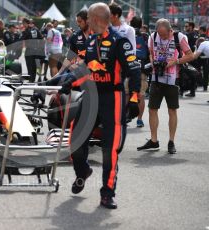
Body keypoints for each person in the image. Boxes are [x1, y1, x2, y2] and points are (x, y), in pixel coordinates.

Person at [60, 2, 141, 209]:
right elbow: (86, 68)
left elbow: (133, 71)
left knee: (110, 149)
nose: (86, 22)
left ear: (96, 20)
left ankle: (107, 193)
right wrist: (70, 81)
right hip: (90, 96)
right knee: (75, 140)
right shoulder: (91, 41)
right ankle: (83, 171)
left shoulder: (119, 41)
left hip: (112, 98)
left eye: (88, 19)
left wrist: (133, 98)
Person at [137, 18, 194, 154]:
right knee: (152, 109)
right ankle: (154, 140)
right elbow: (151, 53)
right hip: (157, 78)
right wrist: (154, 61)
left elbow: (190, 55)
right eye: (160, 34)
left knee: (172, 110)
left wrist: (175, 61)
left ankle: (171, 141)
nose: (162, 37)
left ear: (170, 30)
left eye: (164, 34)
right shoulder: (153, 36)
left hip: (173, 79)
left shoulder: (178, 37)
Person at [130, 16, 150, 128]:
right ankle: (139, 119)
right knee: (141, 95)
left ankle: (124, 116)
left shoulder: (127, 33)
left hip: (128, 68)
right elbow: (150, 52)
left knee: (126, 93)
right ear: (141, 24)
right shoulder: (145, 36)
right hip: (142, 69)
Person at [57, 9, 91, 75]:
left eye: (80, 21)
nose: (78, 24)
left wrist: (78, 64)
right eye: (77, 22)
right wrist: (58, 74)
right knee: (53, 81)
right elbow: (69, 57)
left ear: (87, 20)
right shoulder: (75, 36)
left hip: (93, 71)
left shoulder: (97, 35)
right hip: (79, 71)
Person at [21, 18, 44, 82]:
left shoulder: (26, 31)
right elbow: (42, 39)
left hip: (29, 51)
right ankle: (35, 79)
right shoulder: (36, 29)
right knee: (35, 66)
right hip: (37, 50)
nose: (23, 25)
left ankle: (31, 80)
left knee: (30, 66)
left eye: (23, 23)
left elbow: (21, 40)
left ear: (26, 23)